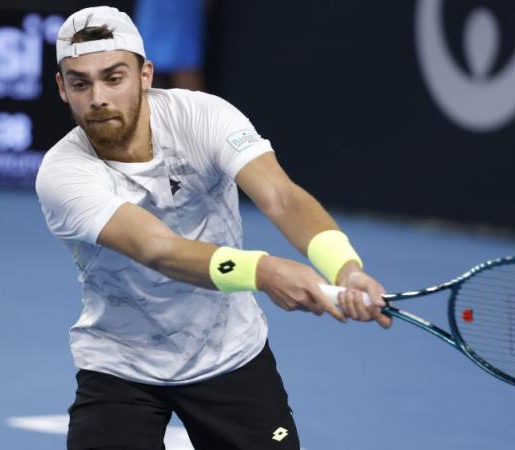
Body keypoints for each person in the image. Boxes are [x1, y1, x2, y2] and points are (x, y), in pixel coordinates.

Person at [36, 6, 391, 450]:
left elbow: (281, 197)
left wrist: (346, 270)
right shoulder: (62, 173)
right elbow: (157, 249)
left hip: (229, 355)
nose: (98, 97)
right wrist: (263, 271)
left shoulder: (204, 116)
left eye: (114, 77)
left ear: (145, 75)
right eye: (80, 83)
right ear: (62, 89)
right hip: (120, 364)